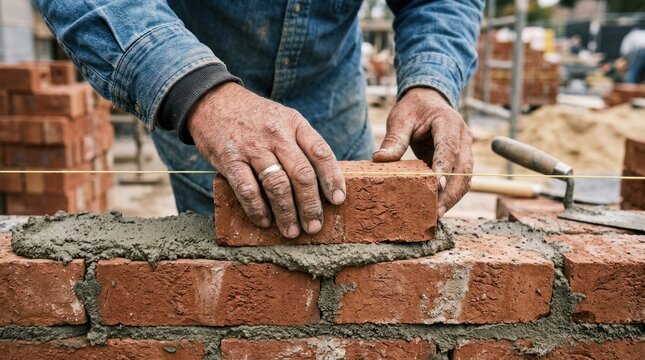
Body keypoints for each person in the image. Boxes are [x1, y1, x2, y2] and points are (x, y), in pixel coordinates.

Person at [36, 1, 483, 238]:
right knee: (229, 294)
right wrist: (197, 91)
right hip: (208, 113)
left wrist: (431, 81)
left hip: (332, 96)